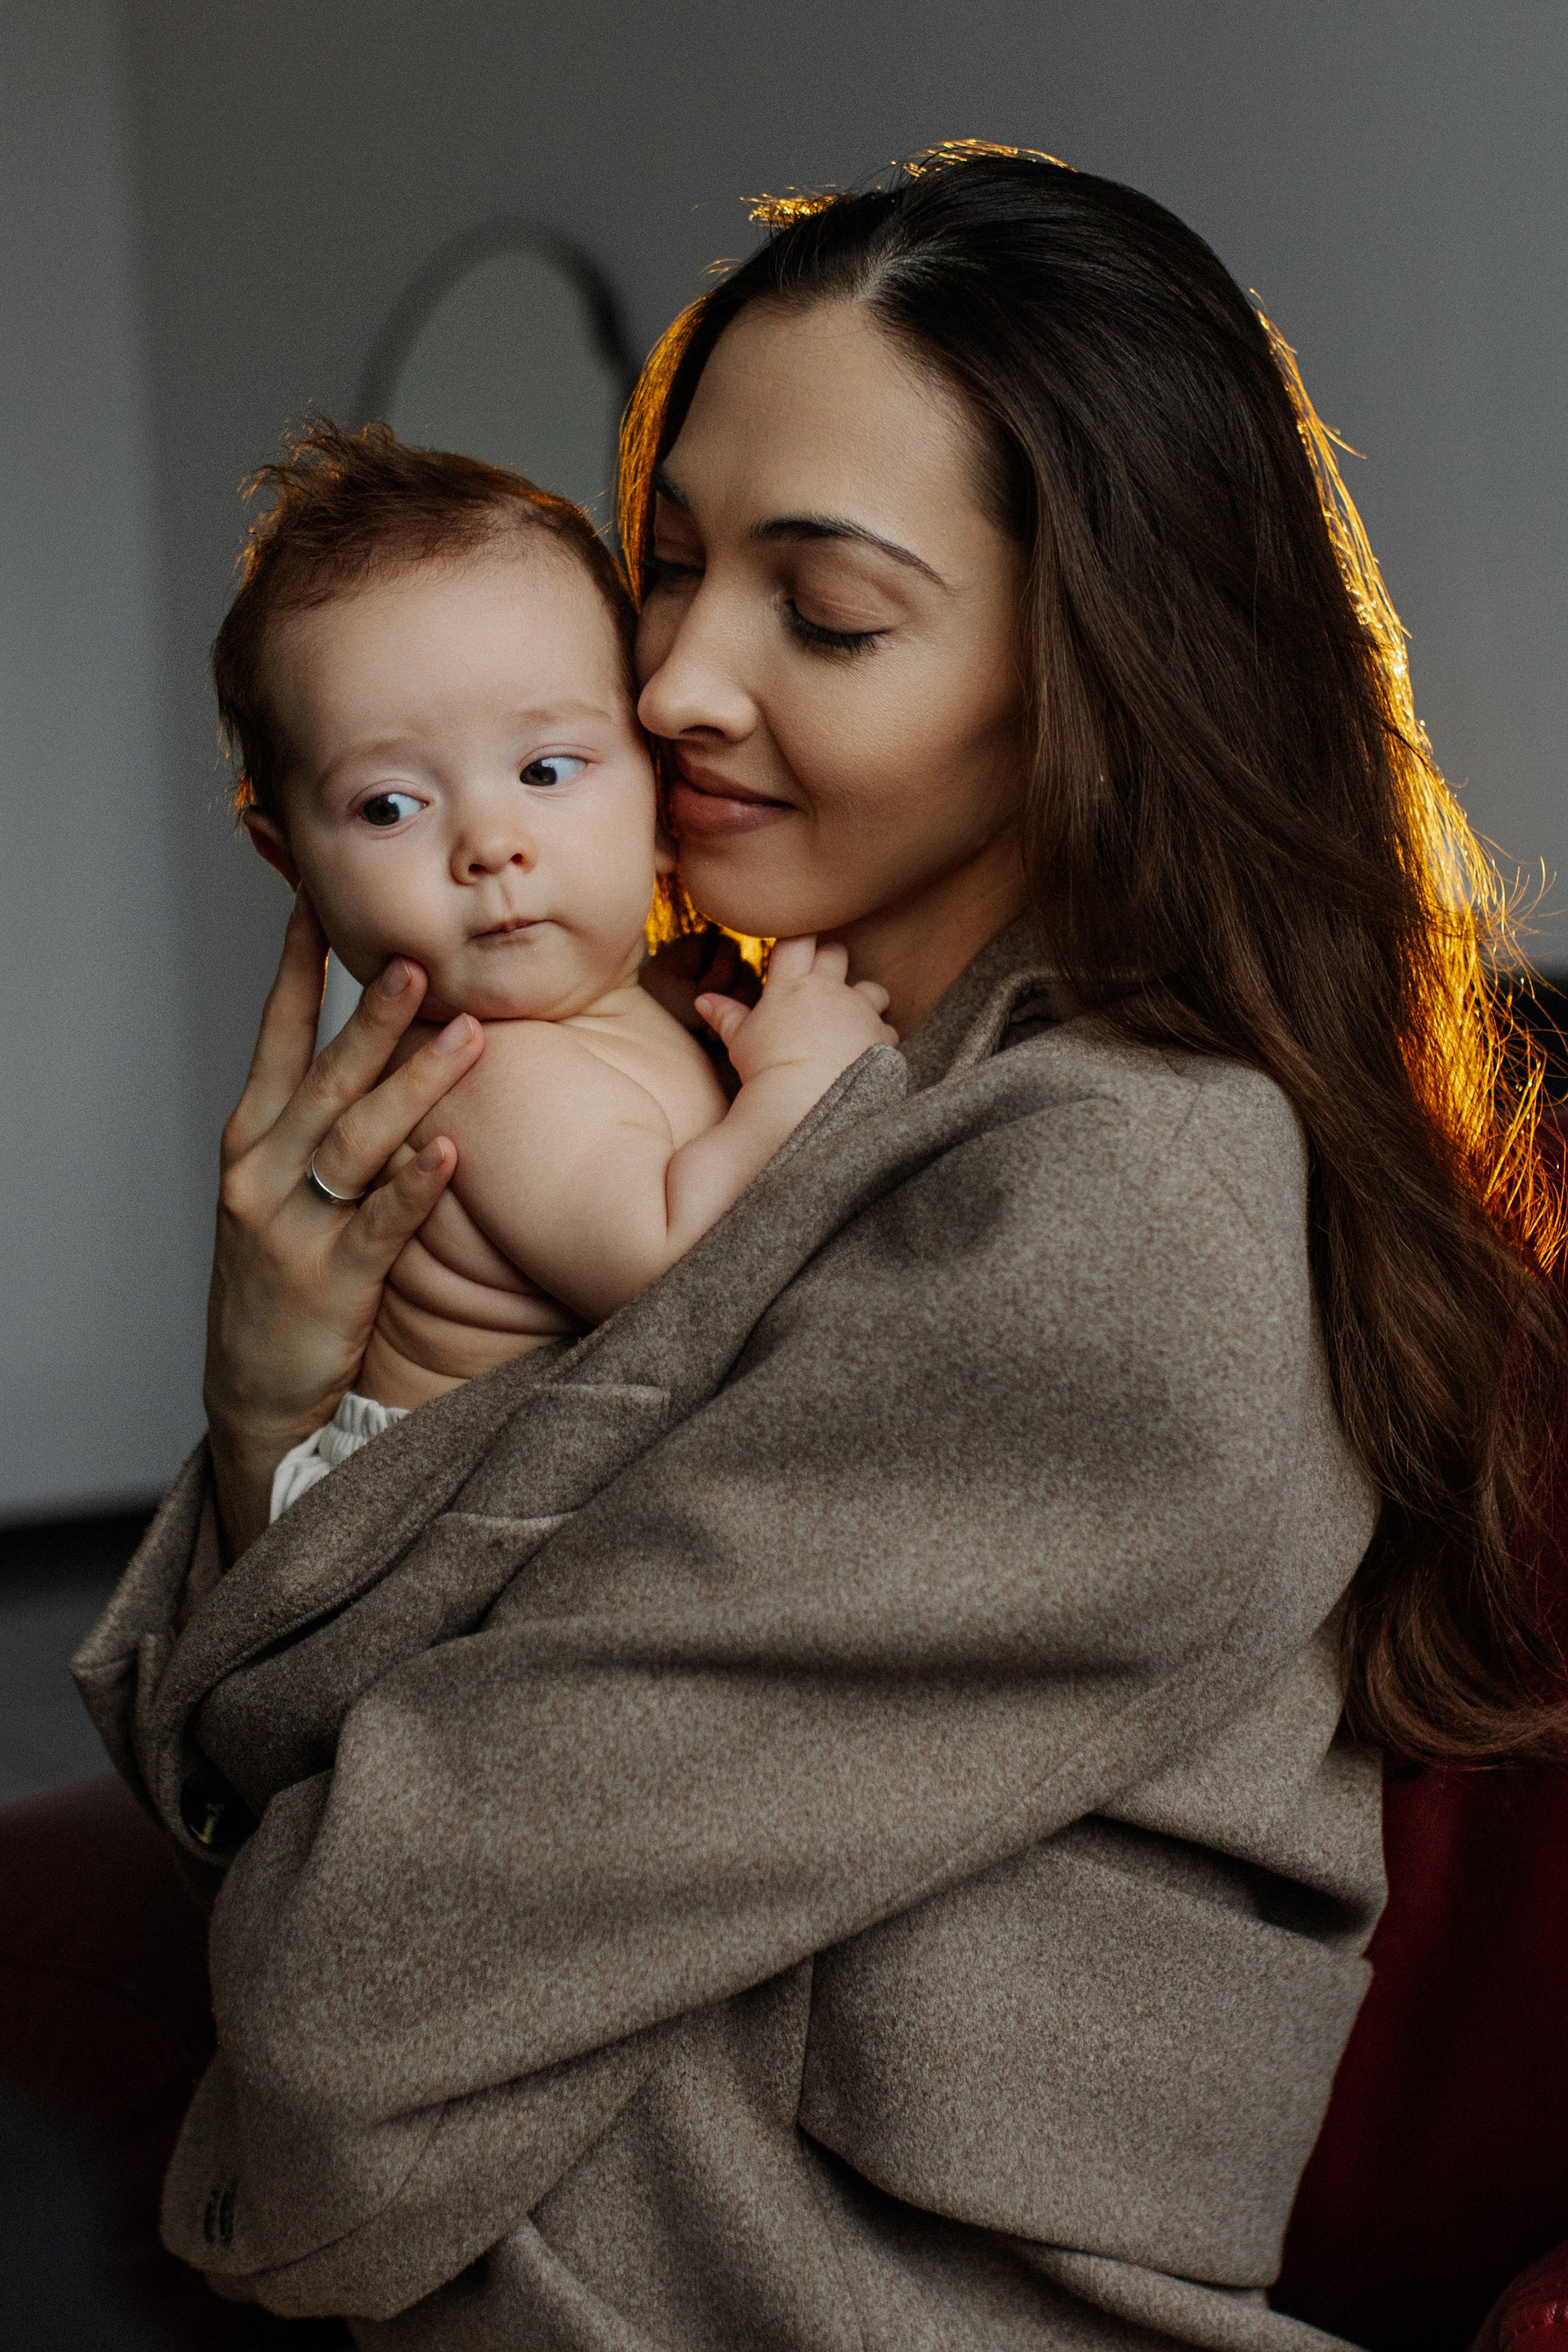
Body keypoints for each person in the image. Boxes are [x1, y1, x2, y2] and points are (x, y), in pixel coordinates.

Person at [75, 143, 1565, 2350]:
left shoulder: (1119, 1209)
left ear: (1094, 665)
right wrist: (272, 1398)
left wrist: (308, 1536)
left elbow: (328, 1970)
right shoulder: (735, 1070)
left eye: (830, 612)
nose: (675, 682)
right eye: (668, 567)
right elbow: (286, 1795)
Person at [212, 425, 890, 1486]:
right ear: (291, 862)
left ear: (659, 795)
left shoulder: (591, 1021)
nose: (490, 845)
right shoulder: (490, 1073)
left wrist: (666, 1009)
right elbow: (669, 1264)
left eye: (545, 771)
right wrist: (801, 1078)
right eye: (390, 805)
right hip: (421, 1513)